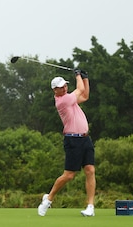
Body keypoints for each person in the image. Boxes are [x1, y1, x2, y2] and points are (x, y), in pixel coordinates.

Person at [38, 69, 96, 217]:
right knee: (69, 175)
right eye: (60, 87)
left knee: (90, 170)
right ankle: (48, 199)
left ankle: (90, 206)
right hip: (73, 140)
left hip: (85, 138)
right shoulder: (63, 101)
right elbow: (80, 89)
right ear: (54, 90)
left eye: (65, 86)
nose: (64, 88)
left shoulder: (69, 99)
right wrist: (78, 75)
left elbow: (85, 95)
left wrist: (85, 78)